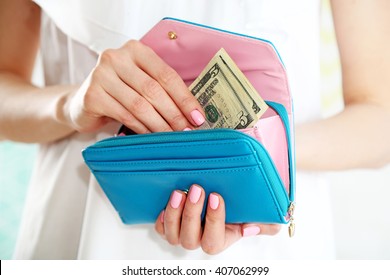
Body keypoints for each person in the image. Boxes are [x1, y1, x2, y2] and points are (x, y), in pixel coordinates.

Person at [1, 0, 389, 259]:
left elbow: (379, 119)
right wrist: (69, 105)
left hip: (267, 249)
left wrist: (261, 153)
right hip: (78, 228)